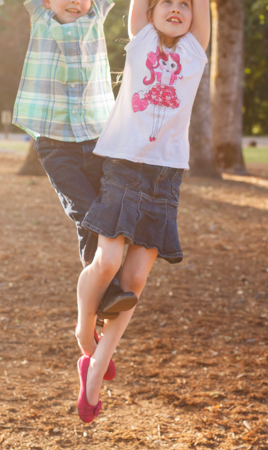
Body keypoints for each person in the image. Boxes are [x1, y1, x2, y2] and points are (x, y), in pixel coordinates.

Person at [74, 0, 210, 423]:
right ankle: (83, 330)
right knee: (108, 260)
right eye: (165, 2)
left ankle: (94, 370)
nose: (176, 9)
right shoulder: (142, 40)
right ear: (146, 13)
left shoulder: (195, 51)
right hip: (124, 167)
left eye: (184, 5)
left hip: (165, 178)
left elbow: (202, 7)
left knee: (134, 280)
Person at [12, 0, 141, 394]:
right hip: (55, 143)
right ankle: (101, 315)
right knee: (89, 216)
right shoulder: (39, 15)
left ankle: (100, 320)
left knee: (105, 217)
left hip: (99, 138)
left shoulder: (97, 14)